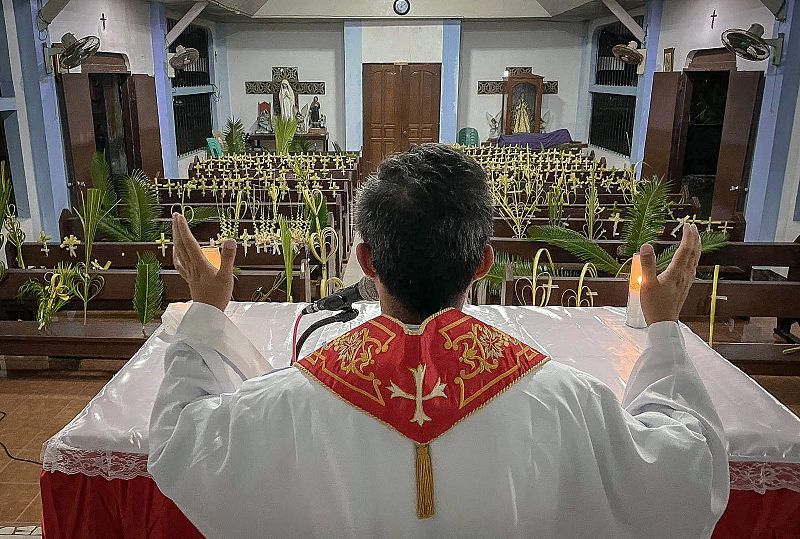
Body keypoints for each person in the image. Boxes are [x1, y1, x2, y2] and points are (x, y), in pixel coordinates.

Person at [149, 144, 728, 538]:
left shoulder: (290, 401)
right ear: (483, 263)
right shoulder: (567, 402)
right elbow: (686, 476)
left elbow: (181, 443)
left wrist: (206, 307)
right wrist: (663, 330)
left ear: (366, 262)